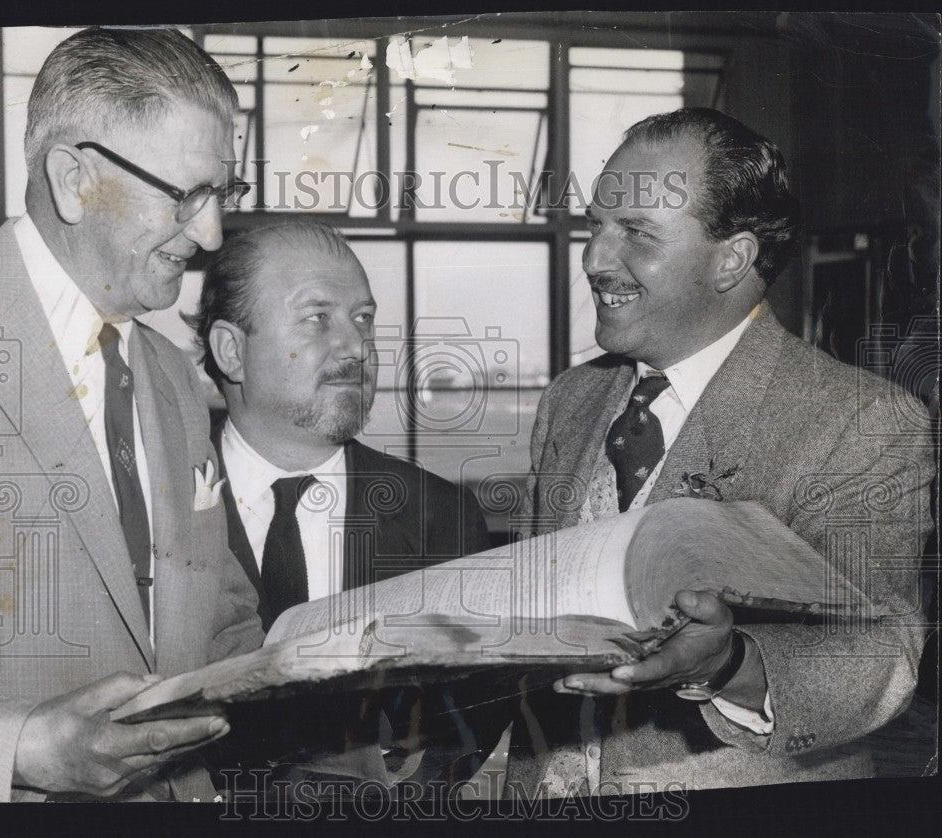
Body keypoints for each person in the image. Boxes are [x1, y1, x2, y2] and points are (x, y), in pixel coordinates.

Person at [506, 107, 935, 796]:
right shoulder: (572, 400)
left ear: (731, 259)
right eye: (596, 226)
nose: (593, 259)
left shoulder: (863, 421)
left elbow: (880, 656)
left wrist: (731, 662)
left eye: (637, 234)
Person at [0, 28, 263, 802]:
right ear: (73, 179)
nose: (212, 234)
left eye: (224, 194)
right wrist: (12, 747)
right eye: (185, 195)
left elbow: (216, 613)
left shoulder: (169, 377)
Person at [185, 219, 495, 797]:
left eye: (363, 319)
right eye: (317, 317)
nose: (357, 347)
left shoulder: (442, 519)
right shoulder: (160, 507)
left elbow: (475, 717)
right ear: (231, 350)